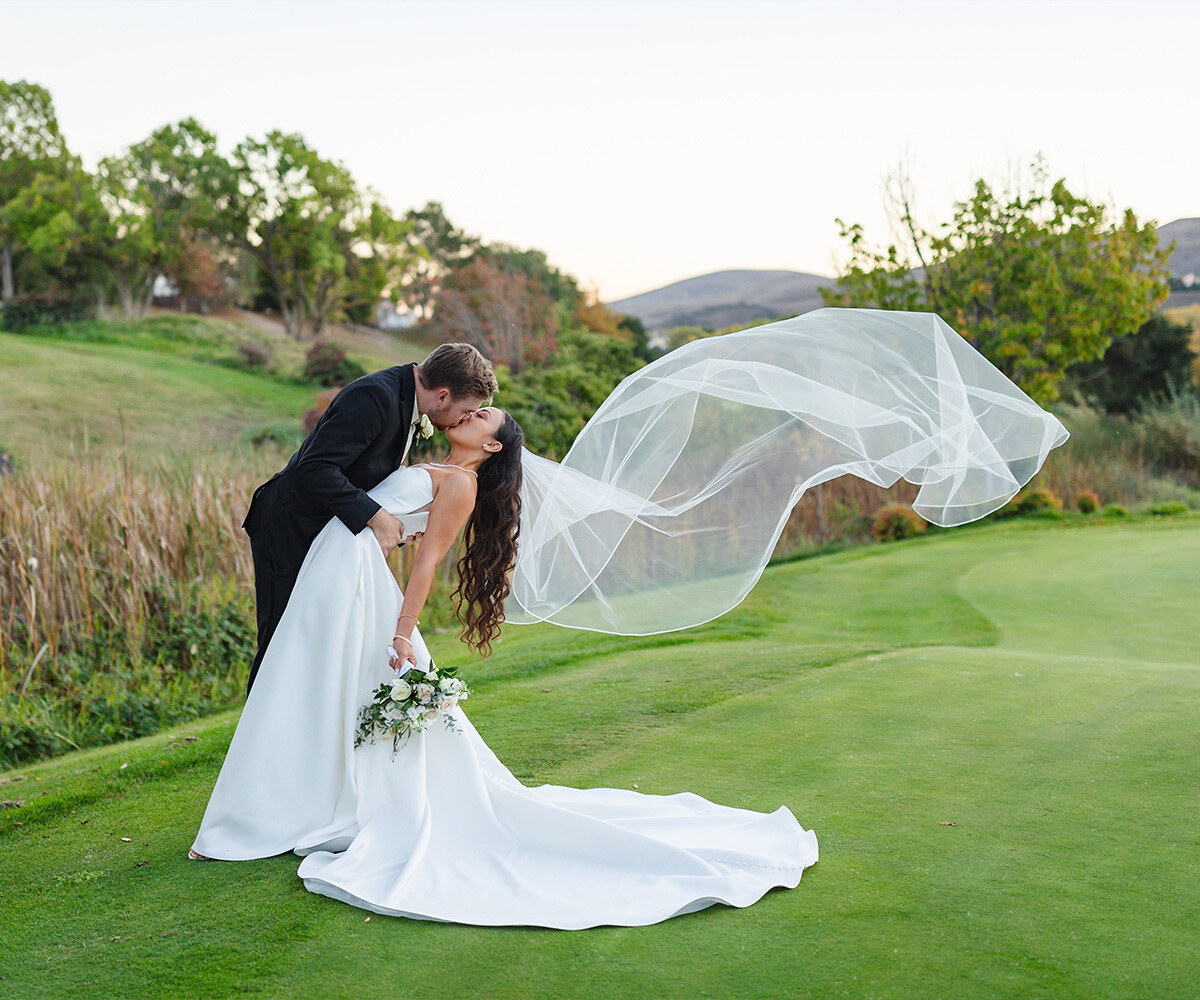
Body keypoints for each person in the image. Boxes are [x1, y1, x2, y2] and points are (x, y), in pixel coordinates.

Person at [190, 406, 819, 928]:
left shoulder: (460, 485)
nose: (471, 412)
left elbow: (429, 563)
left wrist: (403, 632)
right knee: (308, 688)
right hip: (338, 567)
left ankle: (244, 823)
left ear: (490, 443)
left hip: (354, 579)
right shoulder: (435, 463)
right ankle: (281, 808)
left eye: (484, 413)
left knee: (307, 685)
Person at [242, 342, 497, 693]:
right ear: (441, 396)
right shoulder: (375, 397)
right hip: (291, 529)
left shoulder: (405, 401)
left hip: (331, 538)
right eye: (466, 409)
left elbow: (363, 472)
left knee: (315, 646)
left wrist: (398, 522)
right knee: (281, 641)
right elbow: (314, 468)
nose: (464, 418)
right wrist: (376, 517)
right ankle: (258, 742)